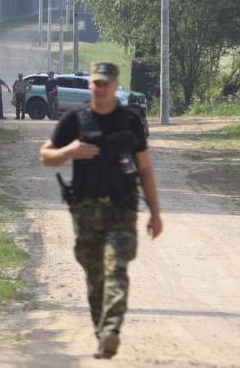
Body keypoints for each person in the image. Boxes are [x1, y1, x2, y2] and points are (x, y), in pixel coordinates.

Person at [39, 62, 161, 360]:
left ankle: (112, 330)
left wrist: (155, 213)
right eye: (97, 83)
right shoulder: (75, 120)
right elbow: (45, 156)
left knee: (116, 266)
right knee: (95, 277)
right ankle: (102, 334)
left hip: (122, 209)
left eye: (107, 83)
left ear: (115, 85)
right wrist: (68, 151)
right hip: (86, 210)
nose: (102, 88)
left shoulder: (129, 121)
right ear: (91, 85)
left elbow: (144, 168)